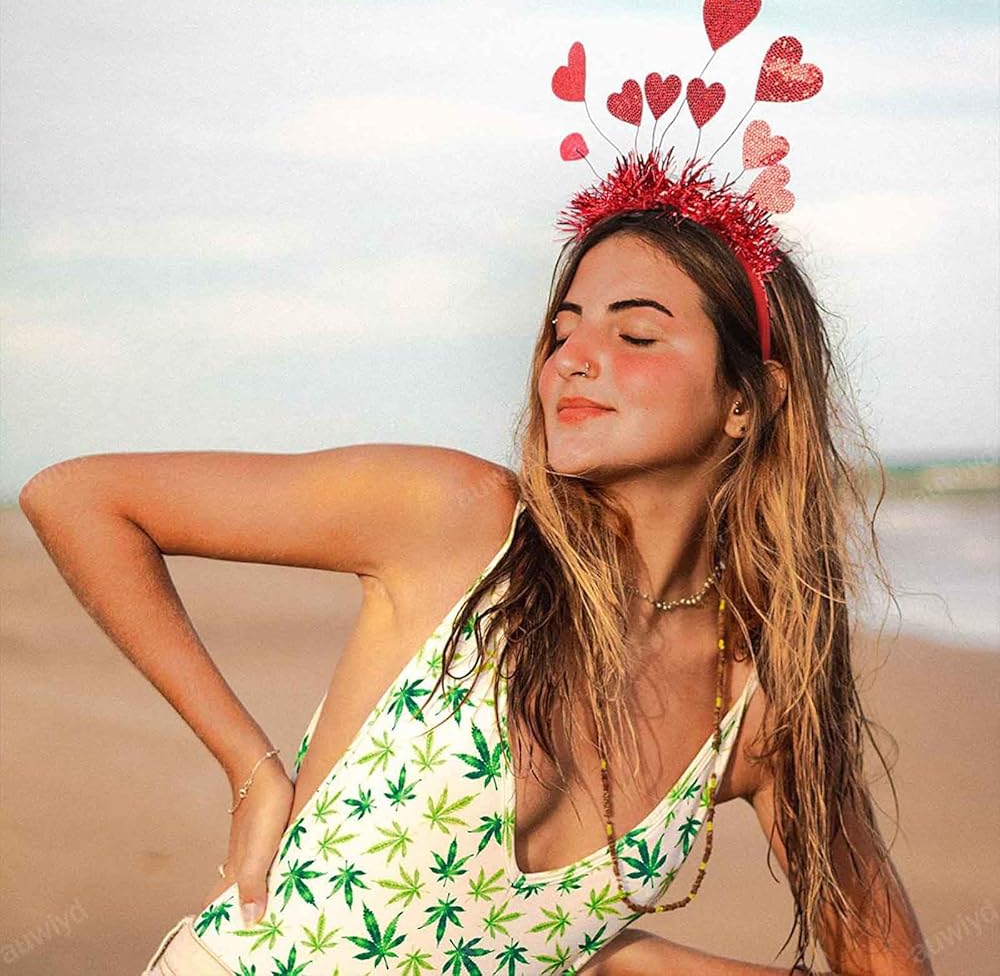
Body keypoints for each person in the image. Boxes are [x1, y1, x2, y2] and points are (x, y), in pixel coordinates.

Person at [20, 208, 932, 974]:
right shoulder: (463, 524)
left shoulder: (754, 707)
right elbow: (79, 499)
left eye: (636, 335)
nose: (572, 359)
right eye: (563, 330)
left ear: (749, 400)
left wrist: (603, 953)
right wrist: (251, 769)